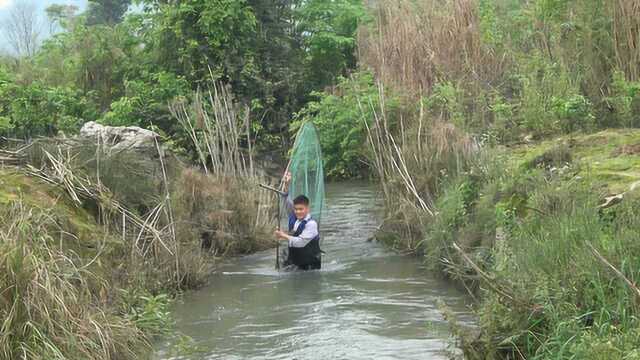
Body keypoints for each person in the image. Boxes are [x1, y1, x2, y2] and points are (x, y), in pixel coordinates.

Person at [274, 172, 322, 270]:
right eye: (296, 209)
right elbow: (286, 200)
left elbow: (300, 242)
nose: (298, 212)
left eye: (301, 209)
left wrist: (283, 235)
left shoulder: (311, 224)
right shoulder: (295, 217)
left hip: (310, 265)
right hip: (296, 261)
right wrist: (287, 184)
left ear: (308, 209)